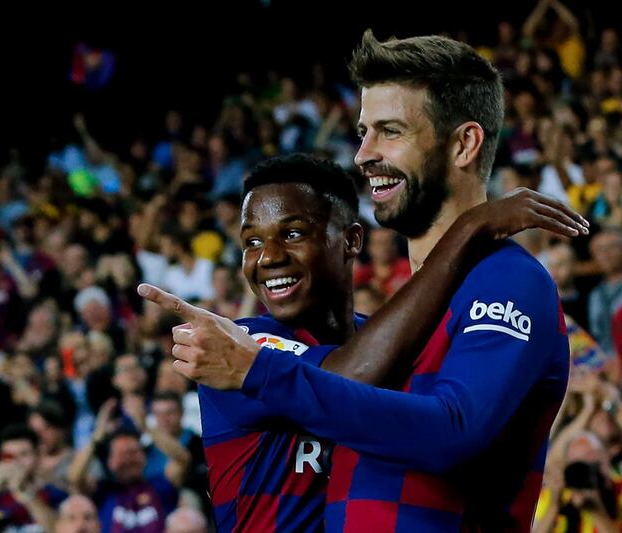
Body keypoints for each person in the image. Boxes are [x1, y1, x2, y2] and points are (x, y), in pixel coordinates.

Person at [139, 31, 588, 531]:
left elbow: (453, 431)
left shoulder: (506, 279)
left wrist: (257, 369)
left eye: (389, 131)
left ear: (464, 144)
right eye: (362, 132)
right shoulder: (403, 316)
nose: (362, 155)